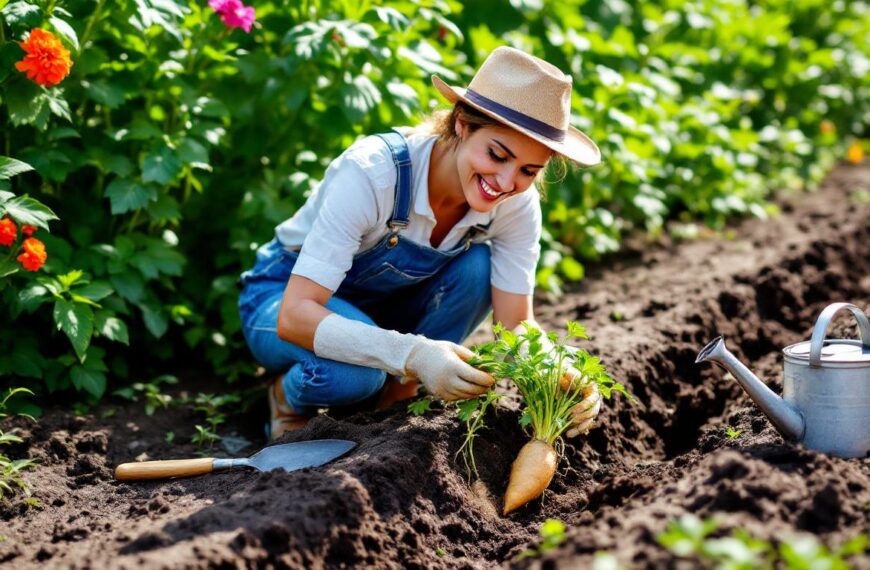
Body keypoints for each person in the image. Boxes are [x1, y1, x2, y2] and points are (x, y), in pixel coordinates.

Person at [238, 46, 604, 440]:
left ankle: (394, 398)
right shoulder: (374, 173)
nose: (505, 182)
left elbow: (516, 323)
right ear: (462, 123)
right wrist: (413, 355)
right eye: (497, 155)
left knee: (477, 268)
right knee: (354, 374)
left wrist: (560, 372)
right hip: (284, 299)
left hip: (381, 311)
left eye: (529, 170)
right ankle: (286, 398)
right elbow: (295, 316)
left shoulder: (516, 204)